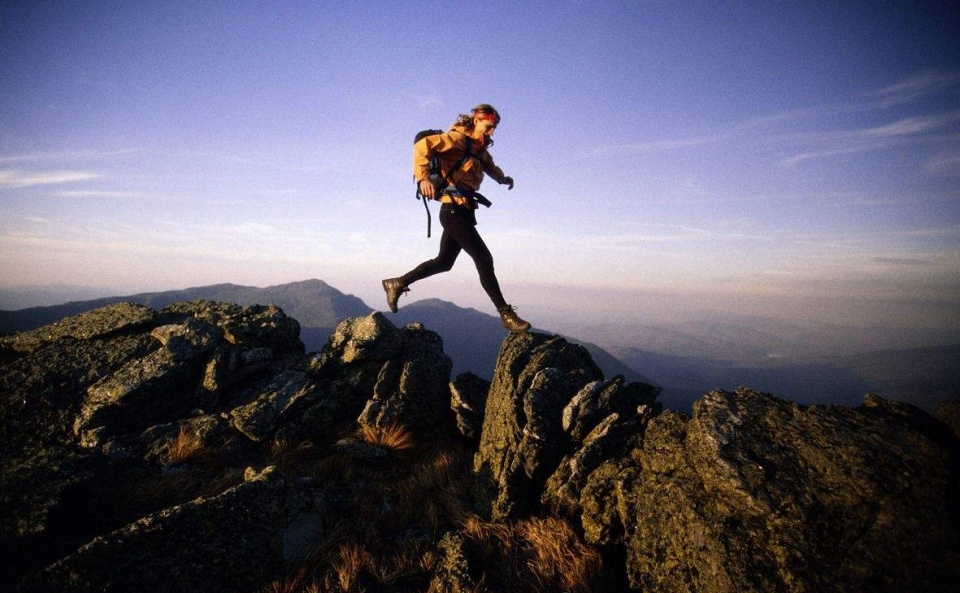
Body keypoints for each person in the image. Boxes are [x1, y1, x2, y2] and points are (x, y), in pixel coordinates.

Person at [382, 103, 531, 333]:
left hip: (464, 210)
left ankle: (397, 283)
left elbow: (490, 166)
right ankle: (506, 314)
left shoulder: (479, 149)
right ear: (477, 120)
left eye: (494, 128)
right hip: (452, 211)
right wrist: (423, 179)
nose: (491, 132)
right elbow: (423, 146)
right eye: (489, 126)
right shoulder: (457, 139)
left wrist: (503, 179)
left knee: (444, 262)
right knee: (484, 258)